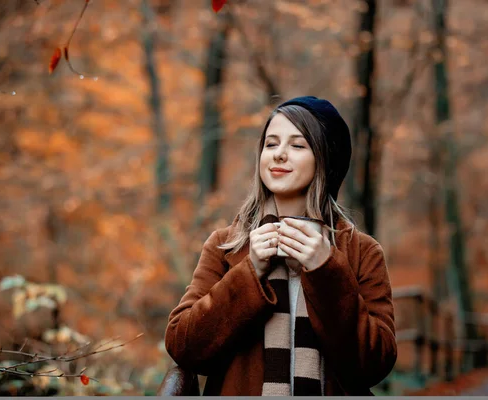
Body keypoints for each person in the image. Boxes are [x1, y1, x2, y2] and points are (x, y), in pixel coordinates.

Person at [164, 96, 397, 396]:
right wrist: (249, 273)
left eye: (297, 146)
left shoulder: (361, 252)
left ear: (327, 158)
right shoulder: (226, 245)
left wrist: (327, 271)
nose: (279, 155)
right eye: (271, 144)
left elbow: (375, 363)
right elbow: (183, 346)